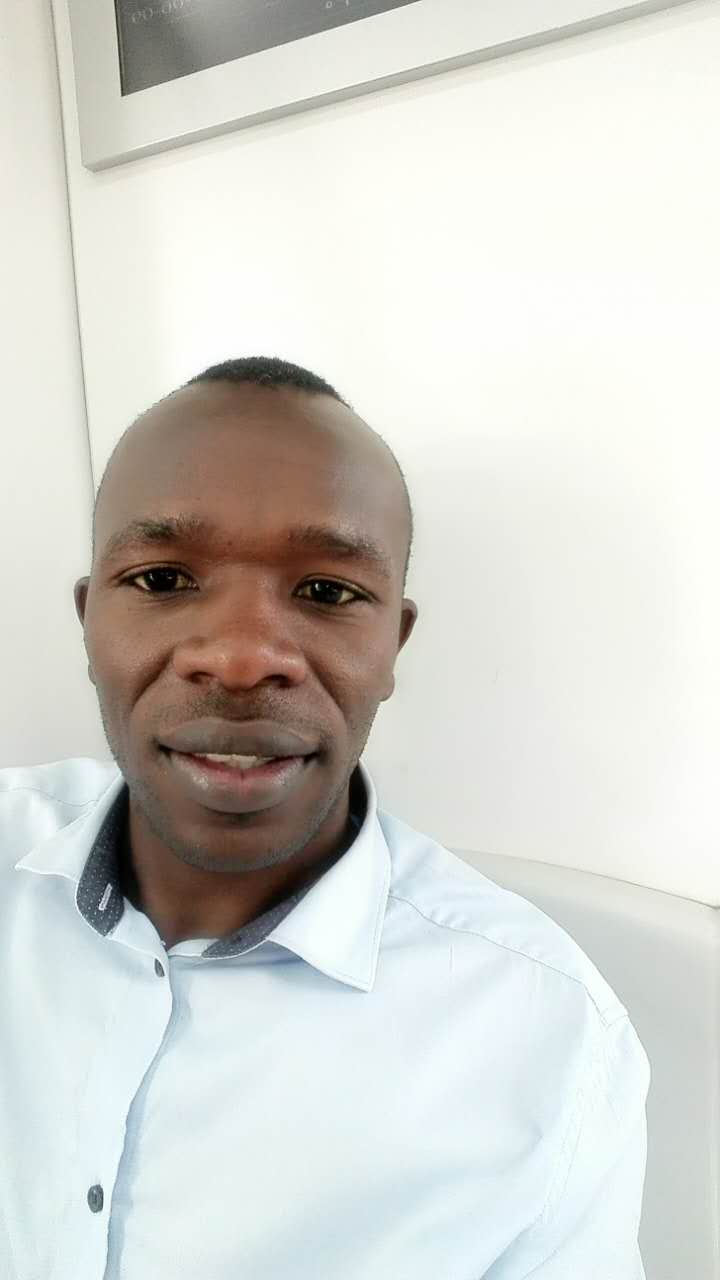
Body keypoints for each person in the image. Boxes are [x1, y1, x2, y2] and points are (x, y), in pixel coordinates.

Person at [1, 356, 649, 1279]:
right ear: (88, 620)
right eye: (162, 578)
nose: (239, 659)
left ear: (393, 645)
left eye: (327, 593)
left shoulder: (551, 1039)